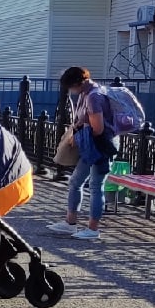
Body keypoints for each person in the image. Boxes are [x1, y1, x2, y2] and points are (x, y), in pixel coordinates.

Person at [47, 66, 109, 241]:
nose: (70, 91)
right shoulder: (86, 93)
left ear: (77, 83)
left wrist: (79, 136)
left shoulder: (94, 96)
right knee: (76, 181)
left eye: (70, 87)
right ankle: (70, 222)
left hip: (100, 146)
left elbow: (98, 129)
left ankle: (93, 229)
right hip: (92, 144)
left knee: (96, 186)